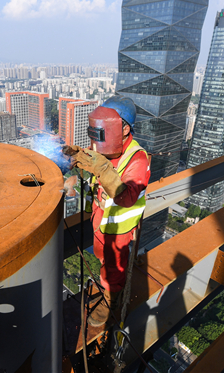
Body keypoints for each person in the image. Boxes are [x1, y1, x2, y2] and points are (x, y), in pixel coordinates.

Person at [63, 96, 150, 327]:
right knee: (102, 256)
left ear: (124, 128)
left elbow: (128, 196)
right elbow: (98, 160)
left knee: (114, 264)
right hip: (100, 218)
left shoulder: (137, 158)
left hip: (118, 226)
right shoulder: (106, 147)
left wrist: (101, 168)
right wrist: (79, 156)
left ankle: (111, 298)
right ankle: (107, 283)